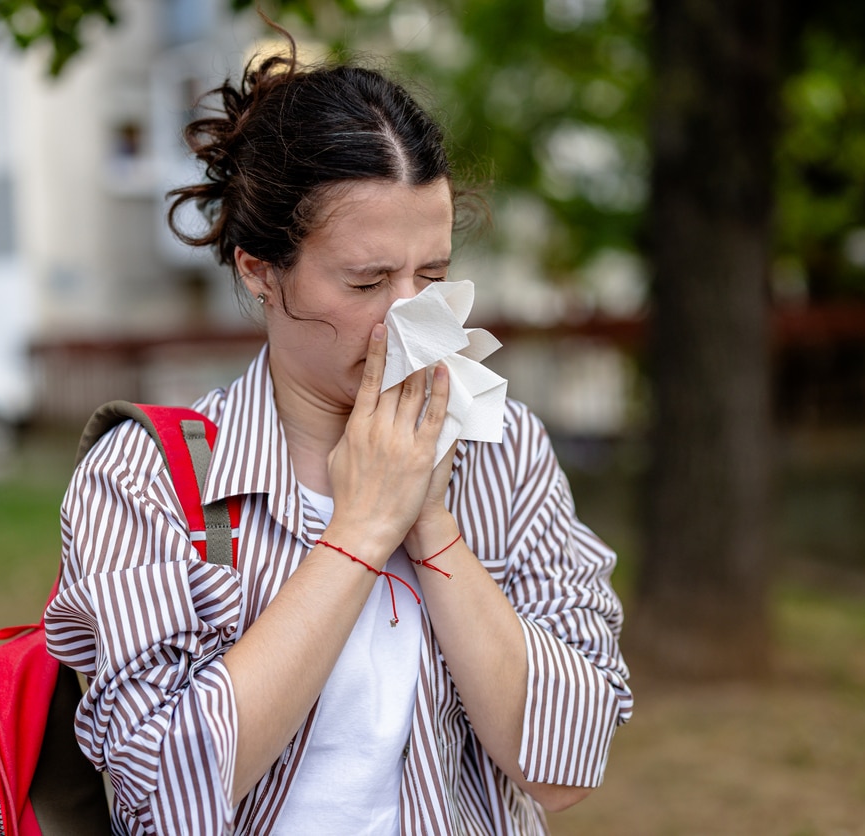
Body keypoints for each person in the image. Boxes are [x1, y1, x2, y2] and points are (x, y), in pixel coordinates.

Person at [44, 30, 632, 835]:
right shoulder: (148, 478)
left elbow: (567, 765)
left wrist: (429, 524)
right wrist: (358, 531)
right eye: (365, 280)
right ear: (259, 271)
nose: (411, 315)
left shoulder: (502, 447)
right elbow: (161, 796)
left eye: (430, 274)